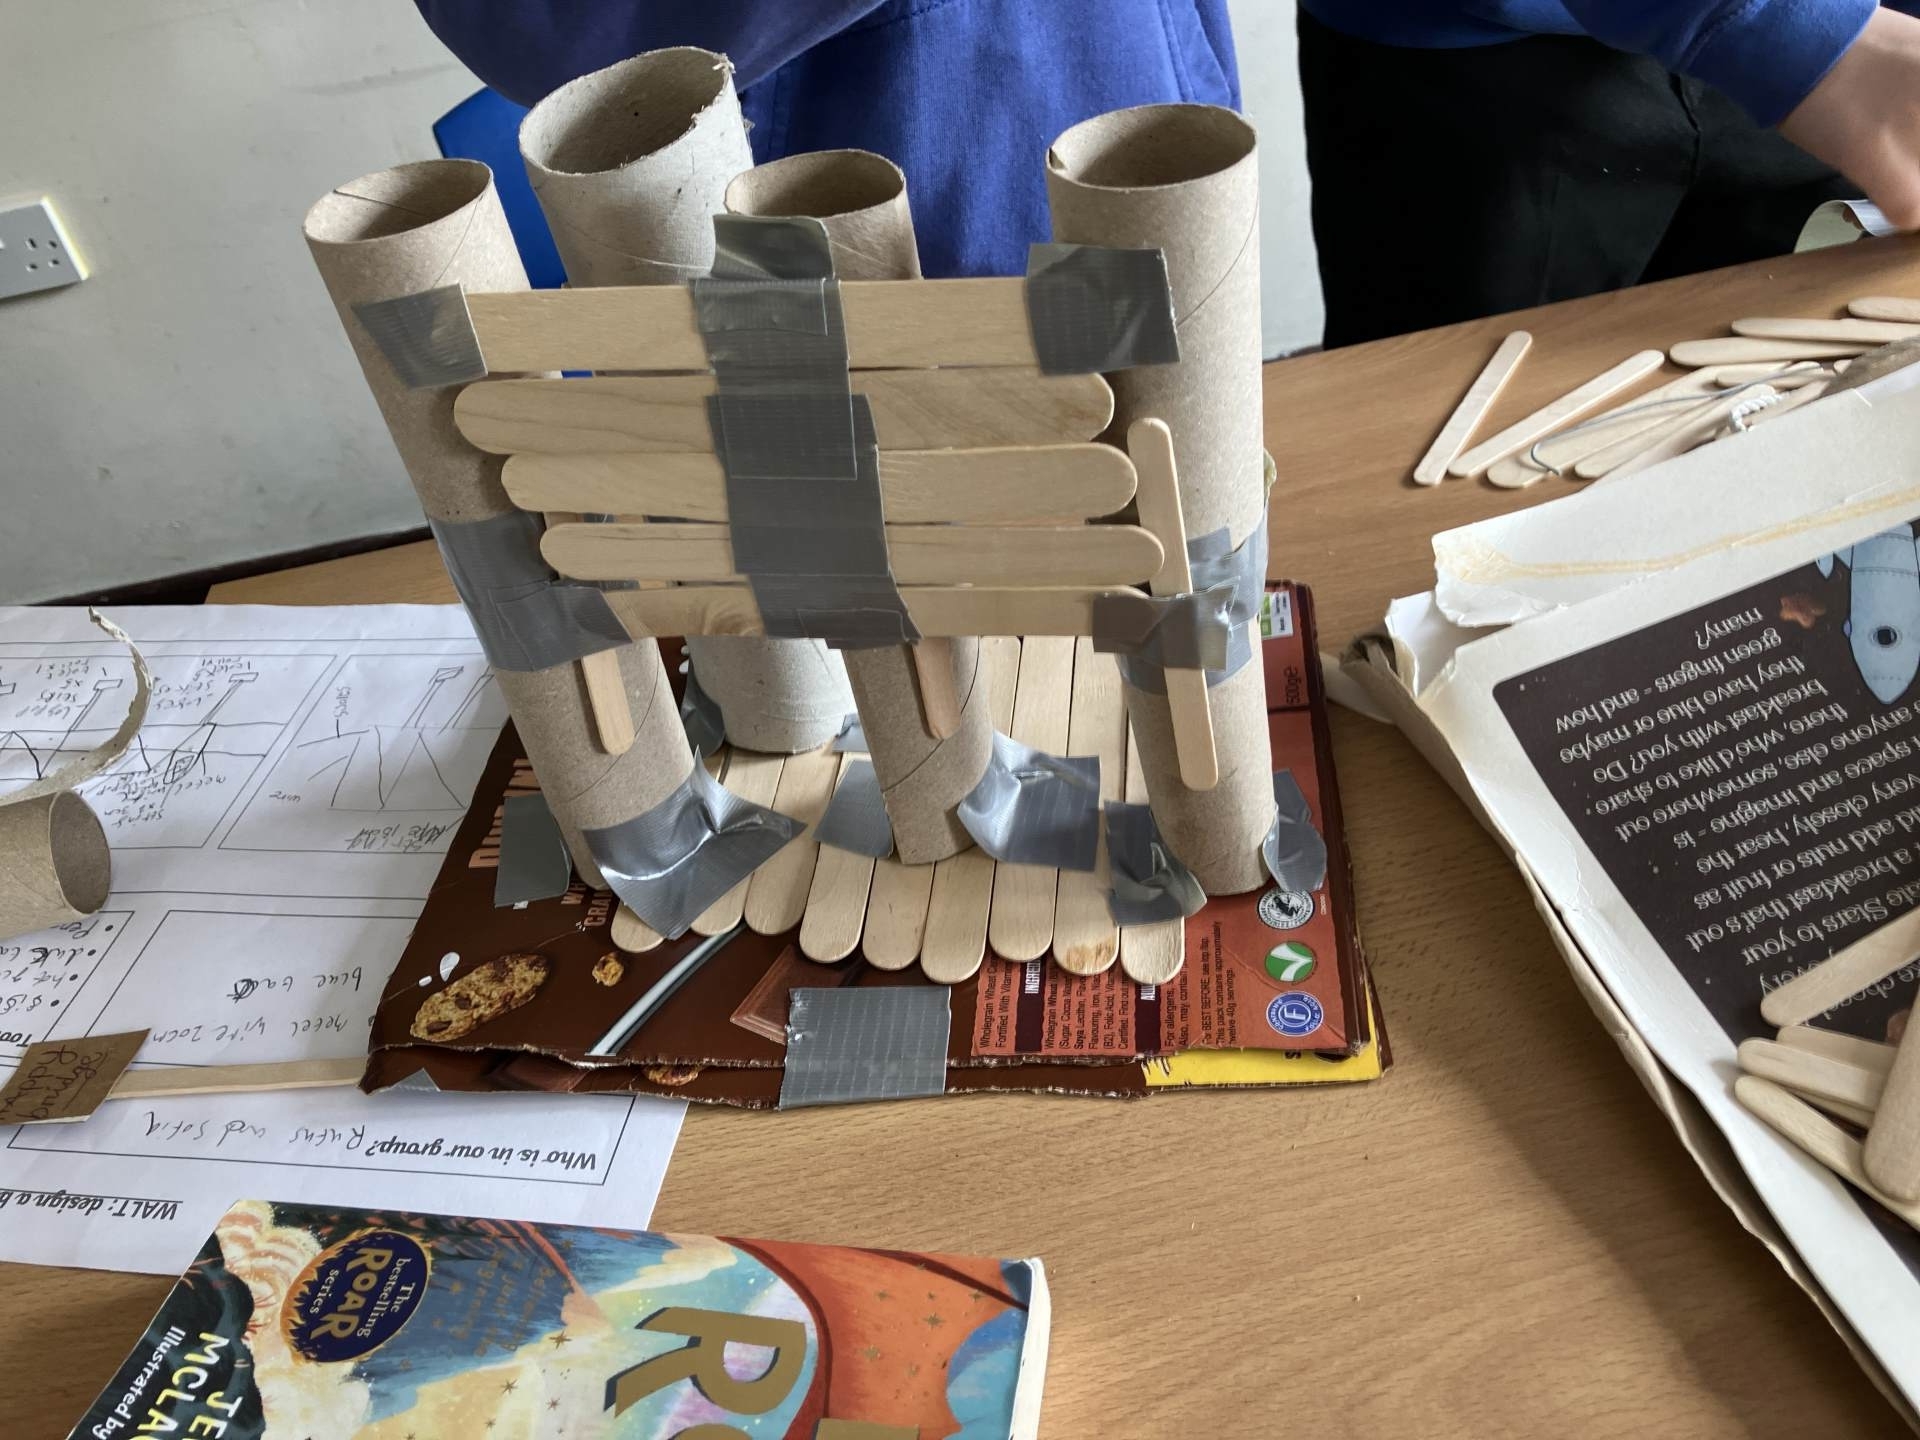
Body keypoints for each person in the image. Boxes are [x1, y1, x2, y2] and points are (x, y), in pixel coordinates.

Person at [411, 1, 1239, 281]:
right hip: (851, 274)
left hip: (1149, 177)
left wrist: (1204, 87)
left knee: (1173, 563)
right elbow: (545, 28)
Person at [1299, 3, 1920, 346]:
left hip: (1848, 50)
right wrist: (1788, 31)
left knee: (1784, 426)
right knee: (1441, 455)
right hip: (1470, 57)